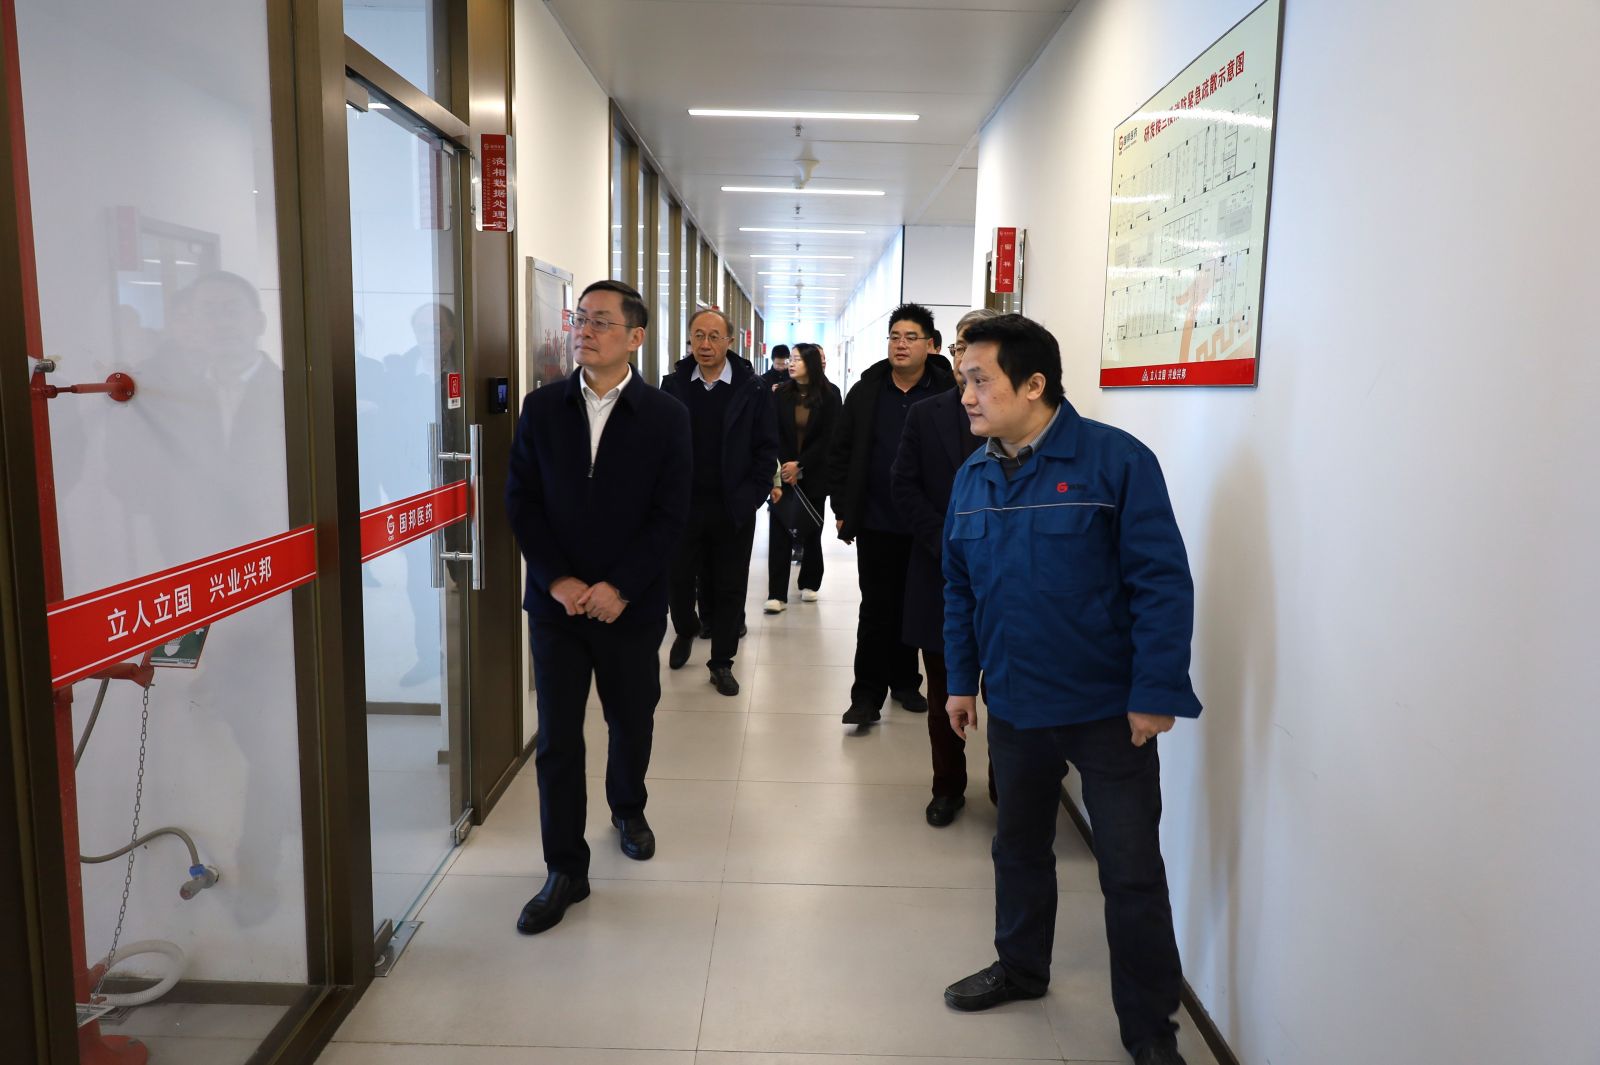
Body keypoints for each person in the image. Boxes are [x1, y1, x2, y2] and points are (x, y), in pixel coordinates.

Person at [939, 314, 1201, 1065]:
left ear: (1034, 384)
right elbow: (958, 588)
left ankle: (1150, 1028)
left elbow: (1161, 583)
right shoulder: (973, 475)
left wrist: (1155, 691)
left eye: (979, 379)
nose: (967, 395)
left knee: (1131, 872)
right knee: (1018, 848)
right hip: (1017, 702)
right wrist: (960, 682)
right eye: (964, 380)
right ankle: (1021, 966)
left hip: (1108, 710)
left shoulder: (1116, 461)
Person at [505, 280, 692, 935]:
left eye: (602, 322)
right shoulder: (542, 408)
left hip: (629, 607)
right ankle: (565, 868)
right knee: (557, 737)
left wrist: (621, 587)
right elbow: (521, 500)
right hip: (556, 606)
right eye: (580, 319)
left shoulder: (666, 416)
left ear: (635, 337)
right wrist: (556, 578)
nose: (585, 330)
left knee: (631, 717)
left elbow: (671, 514)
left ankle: (628, 807)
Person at [890, 308, 997, 825]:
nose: (964, 356)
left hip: (1004, 577)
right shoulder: (926, 413)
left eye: (974, 345)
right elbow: (904, 485)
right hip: (940, 571)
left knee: (1006, 694)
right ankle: (947, 786)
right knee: (944, 692)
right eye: (959, 346)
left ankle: (1007, 788)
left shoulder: (1022, 417)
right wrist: (945, 540)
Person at [827, 303, 954, 726]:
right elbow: (841, 452)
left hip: (928, 523)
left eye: (910, 337)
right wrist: (842, 507)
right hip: (877, 520)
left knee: (916, 606)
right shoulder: (867, 391)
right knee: (877, 609)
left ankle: (905, 682)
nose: (901, 344)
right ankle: (866, 696)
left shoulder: (947, 392)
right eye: (895, 337)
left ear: (930, 346)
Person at [660, 307, 779, 695]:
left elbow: (766, 448)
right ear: (690, 340)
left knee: (730, 585)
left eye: (714, 336)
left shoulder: (752, 388)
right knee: (678, 581)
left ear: (729, 341)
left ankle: (722, 662)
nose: (705, 343)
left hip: (733, 506)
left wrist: (751, 497)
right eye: (698, 335)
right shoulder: (674, 384)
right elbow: (659, 444)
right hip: (684, 505)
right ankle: (686, 628)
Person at [765, 342, 838, 613]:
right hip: (782, 473)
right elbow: (772, 432)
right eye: (791, 359)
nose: (791, 364)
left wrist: (801, 465)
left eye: (797, 359)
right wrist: (785, 467)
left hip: (814, 474)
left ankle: (809, 581)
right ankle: (776, 594)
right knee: (779, 532)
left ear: (811, 363)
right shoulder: (781, 394)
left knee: (811, 529)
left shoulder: (830, 395)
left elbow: (829, 438)